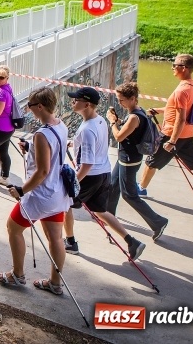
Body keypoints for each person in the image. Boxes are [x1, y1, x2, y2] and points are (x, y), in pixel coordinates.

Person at [0, 87, 72, 295]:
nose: (28, 109)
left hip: (40, 196)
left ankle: (17, 274)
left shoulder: (41, 134)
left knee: (13, 228)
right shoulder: (61, 125)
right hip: (58, 193)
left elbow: (43, 171)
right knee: (56, 238)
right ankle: (55, 283)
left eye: (30, 106)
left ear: (40, 107)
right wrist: (31, 149)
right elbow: (53, 154)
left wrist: (21, 190)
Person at [62, 87, 146, 260]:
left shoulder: (86, 129)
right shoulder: (100, 121)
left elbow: (87, 163)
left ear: (87, 105)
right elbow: (95, 144)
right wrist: (74, 143)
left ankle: (70, 242)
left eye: (76, 100)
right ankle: (131, 241)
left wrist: (74, 182)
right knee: (100, 210)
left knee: (65, 204)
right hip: (104, 173)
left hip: (90, 176)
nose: (72, 102)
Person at [137, 54, 193, 212]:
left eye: (175, 65)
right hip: (188, 134)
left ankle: (141, 188)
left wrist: (172, 141)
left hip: (172, 134)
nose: (172, 68)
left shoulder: (181, 91)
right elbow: (179, 109)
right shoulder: (192, 85)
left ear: (184, 68)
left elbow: (180, 118)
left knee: (151, 161)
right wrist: (159, 110)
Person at [106, 82, 169, 240]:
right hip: (125, 157)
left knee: (129, 195)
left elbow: (119, 137)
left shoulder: (134, 117)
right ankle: (108, 218)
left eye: (122, 100)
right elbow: (131, 131)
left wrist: (112, 121)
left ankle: (158, 222)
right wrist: (119, 122)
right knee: (113, 187)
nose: (120, 103)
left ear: (133, 98)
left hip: (129, 160)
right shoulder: (138, 112)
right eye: (118, 99)